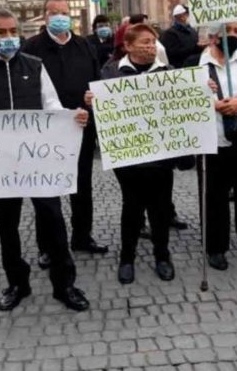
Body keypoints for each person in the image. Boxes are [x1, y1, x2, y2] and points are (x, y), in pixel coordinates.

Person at [0, 9, 90, 312]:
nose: (9, 37)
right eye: (1, 32)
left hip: (38, 161)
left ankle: (65, 284)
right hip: (0, 167)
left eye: (13, 31)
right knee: (7, 226)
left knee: (53, 221)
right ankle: (17, 283)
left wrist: (71, 116)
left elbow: (52, 105)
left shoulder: (36, 66)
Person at [21, 0, 108, 270]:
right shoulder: (31, 48)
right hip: (45, 130)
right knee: (47, 189)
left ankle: (82, 236)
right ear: (44, 17)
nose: (59, 17)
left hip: (81, 125)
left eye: (63, 13)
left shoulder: (85, 45)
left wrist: (95, 99)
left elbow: (97, 81)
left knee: (82, 185)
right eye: (53, 13)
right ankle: (47, 246)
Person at [89, 23, 176, 284]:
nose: (151, 46)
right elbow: (103, 111)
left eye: (153, 42)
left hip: (161, 153)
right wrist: (92, 102)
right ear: (128, 46)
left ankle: (163, 255)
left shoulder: (168, 72)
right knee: (133, 206)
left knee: (160, 207)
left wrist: (204, 90)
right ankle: (127, 257)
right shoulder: (111, 72)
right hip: (128, 154)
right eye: (145, 42)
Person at [184, 22, 237, 271]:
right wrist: (212, 104)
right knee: (213, 197)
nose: (233, 36)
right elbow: (182, 98)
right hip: (212, 140)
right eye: (228, 31)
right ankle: (216, 248)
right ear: (213, 36)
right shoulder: (194, 63)